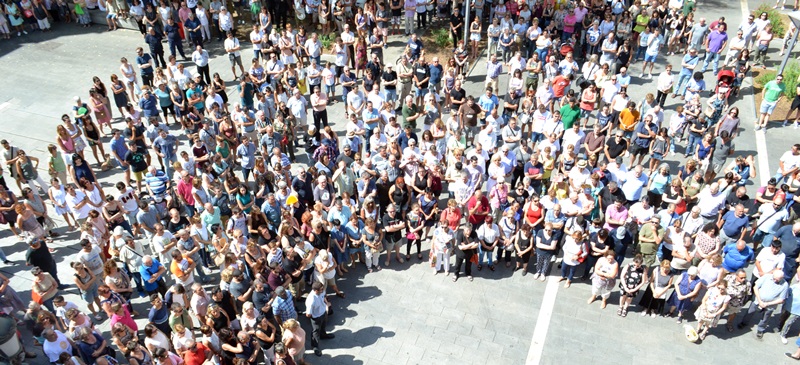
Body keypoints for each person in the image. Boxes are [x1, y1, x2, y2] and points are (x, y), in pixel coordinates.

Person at [737, 270, 789, 338]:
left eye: (777, 280)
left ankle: (760, 329)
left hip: (770, 305)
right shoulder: (766, 277)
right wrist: (759, 300)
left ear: (782, 278)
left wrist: (767, 304)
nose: (775, 281)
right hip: (758, 300)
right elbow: (755, 287)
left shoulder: (785, 285)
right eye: (774, 278)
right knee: (750, 312)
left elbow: (781, 299)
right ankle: (744, 323)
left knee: (765, 317)